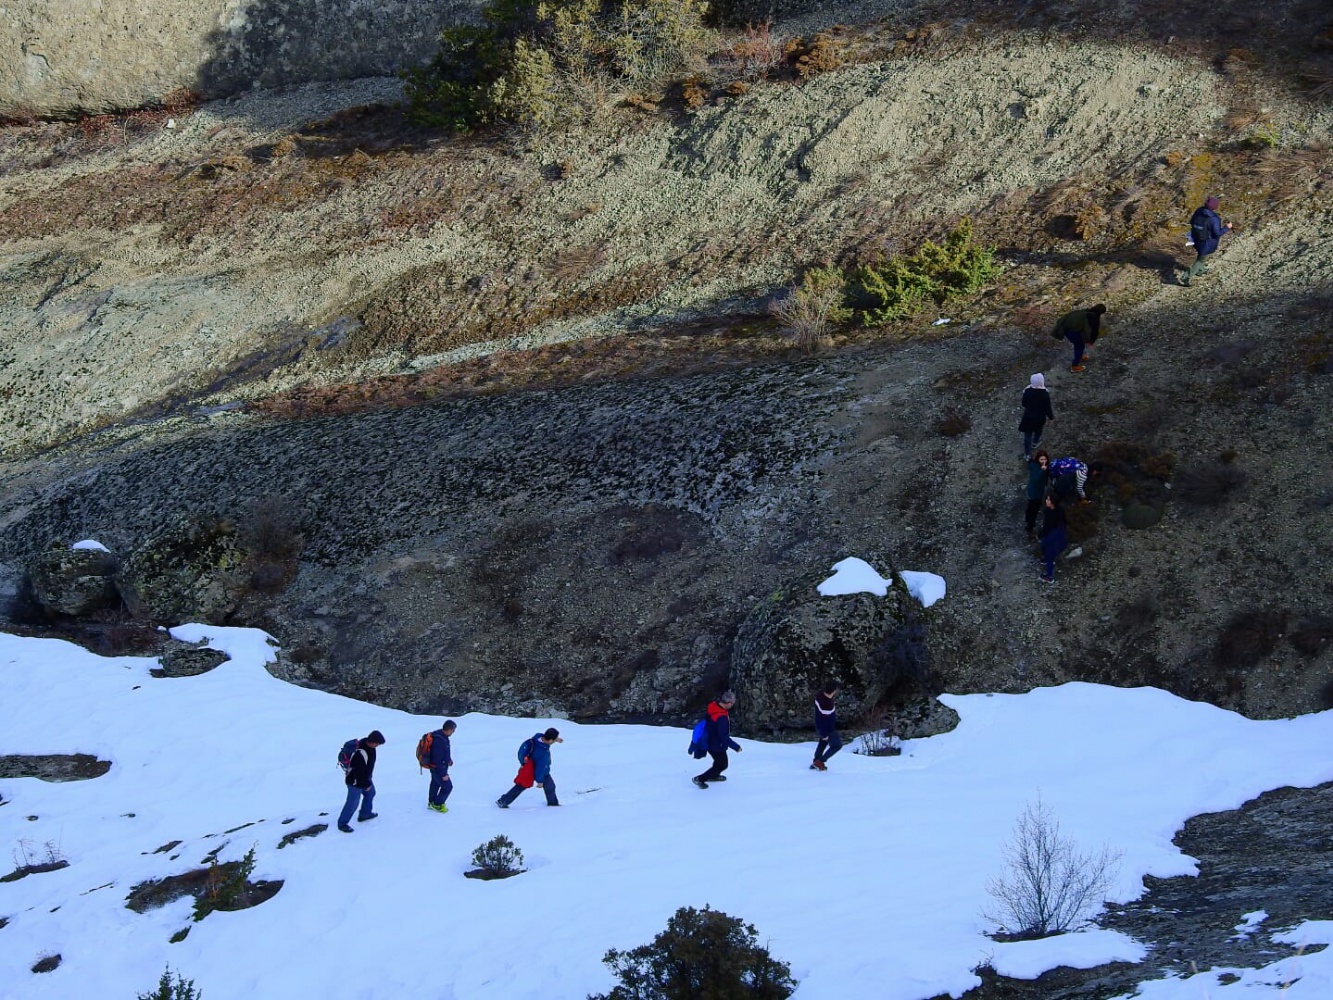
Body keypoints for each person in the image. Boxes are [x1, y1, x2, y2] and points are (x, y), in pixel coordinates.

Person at [496, 728, 563, 808]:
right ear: (550, 740)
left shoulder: (537, 739)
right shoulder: (542, 752)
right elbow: (540, 768)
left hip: (529, 768)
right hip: (540, 771)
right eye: (554, 739)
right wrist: (540, 781)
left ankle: (503, 801)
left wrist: (556, 740)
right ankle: (553, 805)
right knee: (549, 786)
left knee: (521, 786)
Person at [338, 730, 385, 832]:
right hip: (354, 782)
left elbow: (367, 767)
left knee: (371, 793)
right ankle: (342, 823)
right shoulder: (360, 752)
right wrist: (366, 784)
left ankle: (365, 814)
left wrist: (368, 780)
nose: (377, 746)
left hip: (365, 778)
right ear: (372, 741)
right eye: (377, 744)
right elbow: (359, 773)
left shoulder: (369, 746)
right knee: (352, 803)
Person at [692, 691, 742, 788]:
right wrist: (736, 747)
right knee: (722, 764)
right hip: (716, 744)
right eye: (732, 703)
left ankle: (714, 776)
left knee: (719, 762)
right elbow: (723, 736)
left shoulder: (714, 706)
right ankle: (700, 779)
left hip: (709, 740)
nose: (732, 705)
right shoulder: (721, 717)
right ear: (728, 703)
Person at [1181, 196, 1233, 286]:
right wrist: (1226, 228)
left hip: (1196, 238)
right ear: (1215, 207)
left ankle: (1201, 270)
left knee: (1202, 256)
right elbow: (1217, 233)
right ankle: (1186, 277)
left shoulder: (1199, 211)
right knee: (1200, 259)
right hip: (1207, 242)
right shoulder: (1214, 219)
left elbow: (1192, 221)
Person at [1051, 304, 1106, 372]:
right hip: (1071, 331)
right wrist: (1091, 341)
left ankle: (1079, 356)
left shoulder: (1085, 311)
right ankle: (1075, 366)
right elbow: (1094, 331)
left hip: (1066, 328)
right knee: (1080, 345)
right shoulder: (1094, 318)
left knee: (1078, 344)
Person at [1018, 373, 1054, 459]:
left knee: (1028, 435)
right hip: (1040, 418)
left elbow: (1024, 403)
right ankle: (1035, 443)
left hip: (1028, 417)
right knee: (1038, 429)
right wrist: (1051, 418)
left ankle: (1027, 454)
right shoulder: (1045, 394)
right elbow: (1048, 407)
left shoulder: (1027, 391)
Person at [426, 719, 456, 813]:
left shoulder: (441, 736)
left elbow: (443, 754)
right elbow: (437, 759)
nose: (453, 732)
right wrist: (443, 774)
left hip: (437, 767)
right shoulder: (439, 740)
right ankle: (437, 804)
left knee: (435, 783)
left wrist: (448, 760)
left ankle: (431, 802)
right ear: (448, 729)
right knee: (448, 787)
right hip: (438, 768)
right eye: (453, 730)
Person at [811, 684, 842, 771]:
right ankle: (819, 761)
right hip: (828, 728)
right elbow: (824, 720)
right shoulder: (827, 704)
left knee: (823, 742)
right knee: (837, 745)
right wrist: (824, 733)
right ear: (833, 691)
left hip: (820, 726)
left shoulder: (820, 695)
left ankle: (816, 761)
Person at [1024, 450, 1050, 539]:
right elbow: (1036, 479)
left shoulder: (1037, 465)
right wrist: (1042, 471)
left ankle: (1027, 520)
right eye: (1041, 459)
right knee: (1033, 511)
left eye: (1045, 459)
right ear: (1038, 459)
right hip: (1035, 494)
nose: (1044, 461)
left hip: (1035, 491)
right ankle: (1029, 528)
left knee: (1030, 508)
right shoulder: (1036, 467)